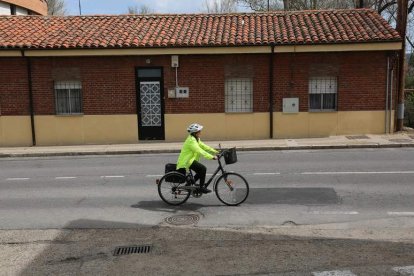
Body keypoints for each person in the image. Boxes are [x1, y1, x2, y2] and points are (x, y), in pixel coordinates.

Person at [176, 123, 219, 193]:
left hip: (190, 160)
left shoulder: (196, 139)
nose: (200, 133)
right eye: (199, 131)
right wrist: (212, 157)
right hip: (186, 161)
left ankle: (189, 185)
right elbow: (199, 150)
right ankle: (201, 188)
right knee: (203, 169)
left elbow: (204, 146)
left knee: (200, 171)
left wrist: (215, 151)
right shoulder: (191, 141)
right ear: (195, 133)